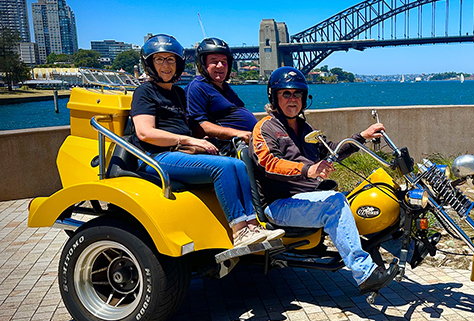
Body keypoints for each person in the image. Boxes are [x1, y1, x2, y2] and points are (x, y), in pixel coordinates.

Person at [249, 66, 400, 295]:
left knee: (370, 195)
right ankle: (365, 273)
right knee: (334, 203)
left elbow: (331, 152)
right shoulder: (266, 128)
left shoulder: (305, 128)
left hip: (306, 198)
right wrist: (308, 170)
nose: (292, 99)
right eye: (286, 94)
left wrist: (362, 137)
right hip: (279, 204)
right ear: (274, 97)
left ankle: (403, 249)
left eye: (297, 94)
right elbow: (269, 164)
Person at [130, 34, 283, 247]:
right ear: (150, 64)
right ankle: (239, 231)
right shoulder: (144, 92)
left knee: (238, 164)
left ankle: (252, 225)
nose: (166, 65)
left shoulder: (178, 94)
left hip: (179, 154)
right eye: (160, 60)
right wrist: (191, 140)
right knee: (223, 168)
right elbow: (145, 133)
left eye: (171, 60)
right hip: (156, 157)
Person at [185, 37, 258, 153]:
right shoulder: (197, 87)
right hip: (232, 148)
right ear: (203, 64)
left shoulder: (224, 87)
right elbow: (198, 127)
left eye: (224, 62)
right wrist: (238, 133)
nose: (220, 66)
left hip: (252, 141)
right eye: (214, 61)